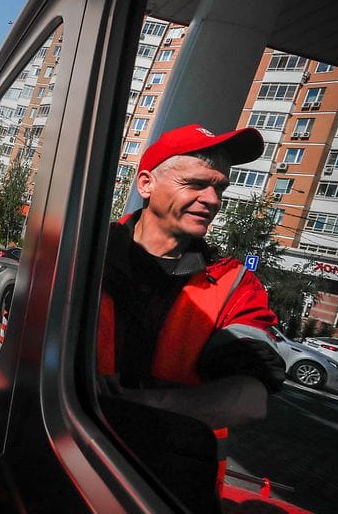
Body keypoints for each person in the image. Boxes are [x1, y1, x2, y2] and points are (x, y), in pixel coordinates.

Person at [98, 123, 286, 509]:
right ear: (146, 184)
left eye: (220, 188)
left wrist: (136, 403)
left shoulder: (235, 283)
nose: (212, 199)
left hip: (171, 487)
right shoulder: (84, 251)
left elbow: (250, 399)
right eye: (196, 184)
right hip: (65, 451)